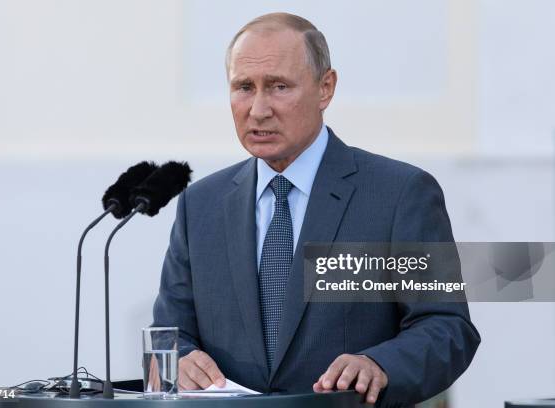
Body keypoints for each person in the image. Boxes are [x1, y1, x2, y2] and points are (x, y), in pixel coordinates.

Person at [152, 12, 480, 406]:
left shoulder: (399, 194)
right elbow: (168, 336)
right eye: (243, 87)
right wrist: (178, 361)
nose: (258, 109)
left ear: (325, 88)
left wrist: (380, 365)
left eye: (278, 87)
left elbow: (447, 328)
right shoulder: (199, 205)